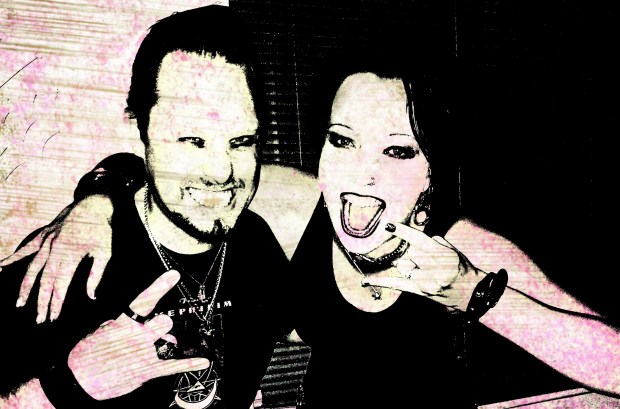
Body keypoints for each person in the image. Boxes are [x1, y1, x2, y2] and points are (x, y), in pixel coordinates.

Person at [3, 22, 620, 409]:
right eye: (342, 141)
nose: (360, 175)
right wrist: (96, 199)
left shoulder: (458, 249)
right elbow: (183, 173)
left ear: (433, 170)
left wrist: (469, 292)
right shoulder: (293, 207)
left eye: (397, 151)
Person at [0, 6, 292, 408]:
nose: (221, 172)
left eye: (241, 142)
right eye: (192, 140)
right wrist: (69, 385)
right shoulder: (66, 262)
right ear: (139, 130)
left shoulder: (255, 241)